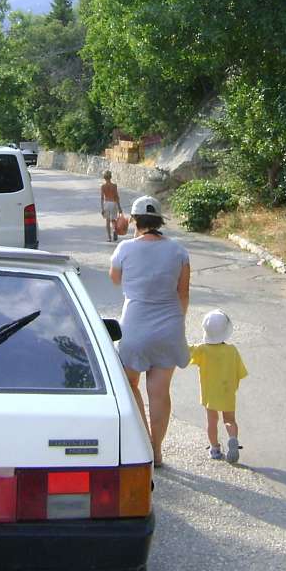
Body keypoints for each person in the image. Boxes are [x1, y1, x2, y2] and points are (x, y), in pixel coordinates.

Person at [109, 195, 190, 467]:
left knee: (131, 384)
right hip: (170, 326)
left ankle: (143, 442)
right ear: (159, 221)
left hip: (135, 326)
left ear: (135, 220)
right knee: (160, 391)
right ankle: (157, 451)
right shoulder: (179, 251)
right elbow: (183, 294)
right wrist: (177, 322)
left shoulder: (124, 250)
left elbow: (115, 278)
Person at [188, 309, 248, 462]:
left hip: (210, 393)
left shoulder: (202, 349)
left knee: (212, 421)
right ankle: (233, 438)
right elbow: (240, 372)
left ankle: (215, 449)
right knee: (229, 420)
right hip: (227, 391)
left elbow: (186, 352)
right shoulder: (232, 350)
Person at [100, 171, 123, 242]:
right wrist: (119, 207)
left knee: (107, 221)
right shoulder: (114, 186)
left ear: (104, 178)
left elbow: (102, 198)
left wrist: (102, 208)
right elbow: (116, 197)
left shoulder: (103, 186)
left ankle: (109, 238)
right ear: (111, 177)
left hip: (106, 203)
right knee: (113, 220)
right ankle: (114, 230)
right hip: (113, 203)